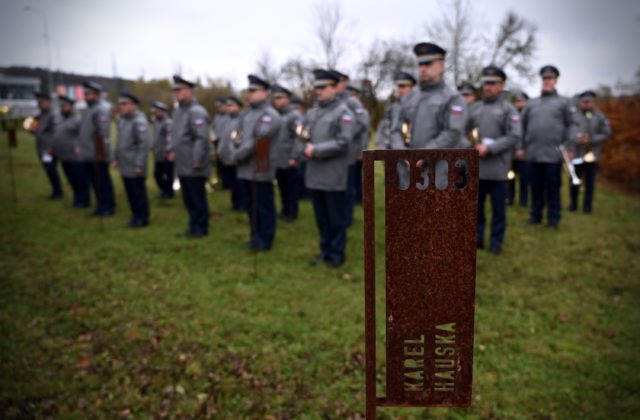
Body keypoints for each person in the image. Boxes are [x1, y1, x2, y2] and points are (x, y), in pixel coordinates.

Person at [390, 42, 469, 189]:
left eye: (428, 64)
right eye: (420, 65)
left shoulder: (453, 98)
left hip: (439, 173)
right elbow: (395, 130)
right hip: (407, 173)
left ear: (441, 66)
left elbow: (453, 132)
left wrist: (424, 155)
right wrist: (402, 153)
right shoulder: (408, 99)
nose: (423, 69)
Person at [466, 66, 522, 254]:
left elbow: (514, 136)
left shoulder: (509, 109)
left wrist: (490, 148)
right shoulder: (475, 108)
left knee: (499, 210)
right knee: (476, 209)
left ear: (501, 84)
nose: (488, 87)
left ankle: (496, 242)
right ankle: (477, 239)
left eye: (492, 83)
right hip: (477, 169)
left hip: (498, 170)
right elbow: (464, 132)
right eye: (485, 83)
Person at [304, 69, 355, 268]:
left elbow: (344, 142)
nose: (318, 91)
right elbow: (303, 136)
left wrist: (316, 150)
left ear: (335, 88)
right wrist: (303, 147)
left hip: (333, 173)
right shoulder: (312, 113)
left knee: (336, 218)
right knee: (321, 217)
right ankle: (325, 251)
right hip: (315, 173)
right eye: (316, 87)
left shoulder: (344, 113)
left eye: (323, 87)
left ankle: (337, 254)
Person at [518, 65, 576, 229]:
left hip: (553, 155)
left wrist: (570, 147)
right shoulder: (532, 104)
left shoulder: (564, 102)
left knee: (553, 188)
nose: (547, 81)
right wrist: (521, 147)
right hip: (533, 154)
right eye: (544, 78)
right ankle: (535, 216)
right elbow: (522, 126)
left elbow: (571, 126)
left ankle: (553, 219)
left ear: (555, 80)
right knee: (535, 188)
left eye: (550, 78)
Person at [232, 75, 281, 251]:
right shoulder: (247, 114)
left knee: (263, 206)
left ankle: (265, 239)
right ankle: (255, 236)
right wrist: (235, 151)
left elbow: (260, 140)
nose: (249, 94)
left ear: (265, 93)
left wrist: (238, 154)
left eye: (254, 91)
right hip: (246, 167)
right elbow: (238, 137)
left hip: (261, 165)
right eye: (249, 90)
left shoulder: (269, 115)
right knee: (251, 206)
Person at [171, 75, 212, 238]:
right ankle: (193, 226)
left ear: (190, 91)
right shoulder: (179, 111)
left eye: (179, 90)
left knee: (197, 198)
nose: (176, 93)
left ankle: (201, 227)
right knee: (188, 198)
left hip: (194, 164)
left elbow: (201, 138)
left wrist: (196, 160)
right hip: (182, 163)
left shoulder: (196, 111)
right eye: (175, 90)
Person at [329, 70, 369, 224]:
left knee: (347, 185)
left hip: (349, 151)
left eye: (338, 82)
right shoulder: (332, 101)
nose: (335, 86)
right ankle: (336, 216)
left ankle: (346, 217)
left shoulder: (352, 102)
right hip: (333, 151)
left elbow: (363, 123)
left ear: (345, 84)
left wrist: (347, 134)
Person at [569, 90, 611, 213]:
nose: (587, 104)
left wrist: (591, 139)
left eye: (589, 102)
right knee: (574, 180)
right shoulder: (574, 116)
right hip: (577, 154)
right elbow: (569, 133)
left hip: (592, 155)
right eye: (584, 102)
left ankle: (587, 207)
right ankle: (573, 205)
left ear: (593, 102)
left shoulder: (600, 117)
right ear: (580, 103)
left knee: (590, 182)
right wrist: (577, 139)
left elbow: (607, 133)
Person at [112, 92, 151, 227]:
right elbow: (119, 141)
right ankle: (135, 216)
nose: (121, 107)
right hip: (125, 163)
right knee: (130, 193)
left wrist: (139, 164)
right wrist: (115, 158)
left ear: (134, 105)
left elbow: (143, 144)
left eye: (124, 104)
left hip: (135, 164)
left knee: (138, 192)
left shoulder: (139, 121)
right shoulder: (123, 121)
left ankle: (142, 218)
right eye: (120, 104)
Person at [79, 80, 116, 216]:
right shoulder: (88, 109)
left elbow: (103, 133)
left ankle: (108, 207)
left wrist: (103, 154)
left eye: (89, 94)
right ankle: (100, 206)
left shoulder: (101, 109)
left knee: (103, 182)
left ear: (97, 94)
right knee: (95, 183)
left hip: (98, 154)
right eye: (85, 93)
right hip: (88, 153)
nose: (86, 96)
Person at [271, 84, 302, 222]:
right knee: (282, 187)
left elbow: (299, 138)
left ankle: (292, 212)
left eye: (280, 97)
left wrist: (294, 156)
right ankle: (285, 210)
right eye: (275, 98)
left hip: (289, 158)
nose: (277, 100)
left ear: (288, 98)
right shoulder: (276, 115)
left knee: (291, 187)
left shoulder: (294, 116)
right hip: (278, 158)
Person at [52, 95, 90, 208]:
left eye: (64, 106)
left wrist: (79, 146)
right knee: (71, 179)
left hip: (76, 155)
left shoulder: (78, 119)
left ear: (71, 106)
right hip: (64, 155)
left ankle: (84, 200)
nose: (61, 108)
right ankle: (77, 198)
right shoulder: (60, 118)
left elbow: (84, 135)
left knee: (80, 179)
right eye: (60, 106)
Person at [29, 92, 63, 199]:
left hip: (49, 149)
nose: (39, 104)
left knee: (51, 170)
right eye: (38, 102)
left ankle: (58, 192)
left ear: (48, 102)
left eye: (41, 102)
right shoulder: (41, 115)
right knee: (48, 170)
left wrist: (52, 147)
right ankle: (55, 191)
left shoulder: (53, 114)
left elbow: (56, 132)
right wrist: (34, 130)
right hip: (42, 147)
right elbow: (42, 130)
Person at [217, 95, 246, 211]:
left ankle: (243, 204)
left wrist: (237, 154)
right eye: (227, 106)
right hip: (227, 156)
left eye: (231, 105)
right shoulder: (227, 120)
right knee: (232, 182)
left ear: (238, 106)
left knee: (240, 183)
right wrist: (219, 151)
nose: (229, 108)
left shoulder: (242, 120)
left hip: (236, 157)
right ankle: (235, 203)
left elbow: (240, 139)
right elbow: (223, 138)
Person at [346, 80, 371, 209]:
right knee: (353, 176)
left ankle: (358, 198)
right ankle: (356, 198)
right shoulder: (354, 109)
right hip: (353, 149)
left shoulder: (360, 110)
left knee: (356, 176)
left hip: (358, 149)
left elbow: (364, 132)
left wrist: (362, 151)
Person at [376, 71, 416, 150]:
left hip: (413, 151)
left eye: (403, 87)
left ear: (412, 88)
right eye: (399, 87)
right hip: (395, 152)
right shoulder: (393, 108)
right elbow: (389, 129)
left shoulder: (417, 106)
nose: (400, 90)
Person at [508, 91, 530, 207]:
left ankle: (523, 200)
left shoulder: (529, 116)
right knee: (510, 177)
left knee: (524, 179)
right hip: (511, 153)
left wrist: (522, 148)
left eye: (521, 101)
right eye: (517, 101)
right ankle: (510, 198)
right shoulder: (511, 115)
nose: (519, 103)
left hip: (524, 153)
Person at [151, 101, 174, 199]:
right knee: (157, 174)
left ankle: (168, 192)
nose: (155, 112)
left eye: (157, 111)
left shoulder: (168, 123)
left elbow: (170, 137)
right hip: (158, 152)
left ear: (163, 111)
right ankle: (164, 189)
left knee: (168, 174)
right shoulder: (156, 121)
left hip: (166, 153)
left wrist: (168, 150)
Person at [212, 98, 230, 189]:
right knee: (219, 163)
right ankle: (222, 181)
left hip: (227, 143)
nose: (218, 108)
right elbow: (214, 128)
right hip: (217, 142)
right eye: (217, 107)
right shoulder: (217, 117)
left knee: (227, 162)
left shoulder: (229, 116)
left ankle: (228, 183)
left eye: (220, 106)